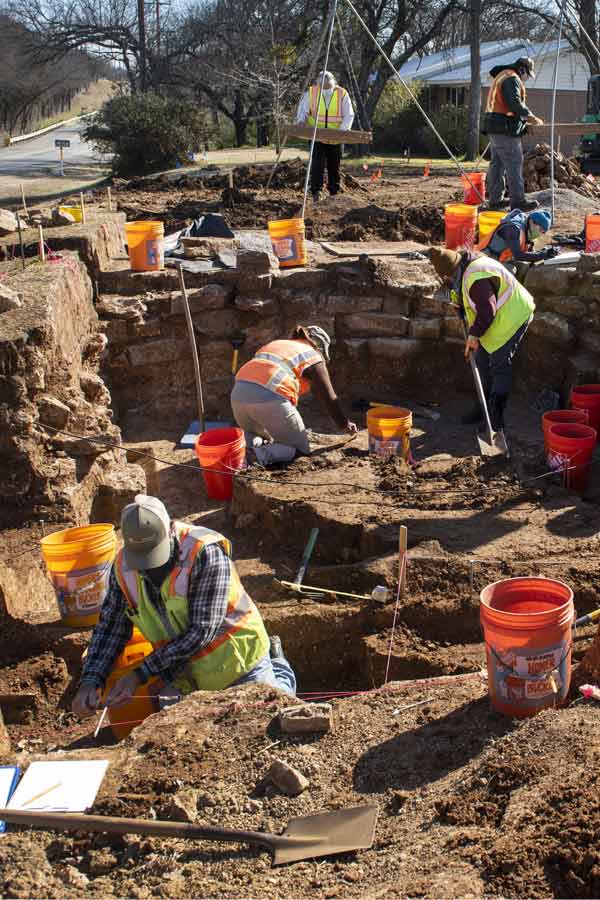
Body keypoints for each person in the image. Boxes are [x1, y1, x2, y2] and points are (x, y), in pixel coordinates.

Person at [72, 495, 296, 718]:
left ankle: (278, 667)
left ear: (170, 531)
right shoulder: (122, 568)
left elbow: (202, 631)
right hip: (182, 674)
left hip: (237, 663)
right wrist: (91, 680)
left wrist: (139, 674)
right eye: (142, 560)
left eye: (153, 556)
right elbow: (111, 627)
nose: (147, 568)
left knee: (268, 715)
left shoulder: (204, 552)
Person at [429, 246, 535, 432]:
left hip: (513, 315)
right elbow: (463, 295)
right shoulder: (465, 266)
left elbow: (487, 310)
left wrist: (474, 334)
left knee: (500, 364)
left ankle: (495, 418)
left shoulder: (476, 278)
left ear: (453, 272)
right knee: (481, 362)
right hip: (495, 319)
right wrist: (459, 304)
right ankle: (482, 408)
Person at [231, 325, 358, 466]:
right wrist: (344, 424)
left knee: (262, 437)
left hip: (238, 395)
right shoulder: (313, 355)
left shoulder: (278, 345)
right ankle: (253, 456)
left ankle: (242, 450)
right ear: (320, 348)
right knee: (300, 450)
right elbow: (329, 396)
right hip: (268, 397)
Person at [482, 56, 544, 212]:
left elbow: (505, 105)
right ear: (522, 69)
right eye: (527, 75)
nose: (527, 79)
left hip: (495, 126)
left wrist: (522, 122)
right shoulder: (512, 79)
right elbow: (514, 104)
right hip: (503, 129)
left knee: (498, 163)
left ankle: (495, 200)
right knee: (514, 162)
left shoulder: (502, 75)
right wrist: (531, 117)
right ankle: (518, 201)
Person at [296, 70, 354, 201]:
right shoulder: (311, 93)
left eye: (327, 82)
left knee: (334, 166)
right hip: (316, 136)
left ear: (333, 82)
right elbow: (303, 111)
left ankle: (334, 193)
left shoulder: (342, 94)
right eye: (322, 82)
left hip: (336, 138)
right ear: (317, 82)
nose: (324, 85)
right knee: (317, 165)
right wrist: (301, 121)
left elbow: (349, 115)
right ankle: (316, 192)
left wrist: (342, 131)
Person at [479, 208, 555, 265]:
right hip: (484, 260)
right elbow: (518, 255)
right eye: (541, 229)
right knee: (512, 269)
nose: (540, 234)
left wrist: (542, 252)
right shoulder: (513, 229)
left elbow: (528, 253)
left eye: (543, 232)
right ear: (532, 222)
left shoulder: (527, 229)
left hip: (498, 260)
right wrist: (543, 255)